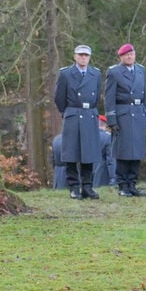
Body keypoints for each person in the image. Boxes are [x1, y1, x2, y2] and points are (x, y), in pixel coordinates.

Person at [54, 44, 101, 200]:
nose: (83, 58)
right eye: (80, 55)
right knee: (71, 154)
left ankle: (87, 186)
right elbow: (59, 98)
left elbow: (97, 96)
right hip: (73, 114)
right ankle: (74, 187)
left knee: (89, 153)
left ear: (89, 57)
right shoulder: (66, 74)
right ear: (75, 56)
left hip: (89, 114)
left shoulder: (95, 74)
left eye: (86, 55)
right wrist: (68, 112)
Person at [105, 44, 146, 197]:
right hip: (123, 114)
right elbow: (109, 98)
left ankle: (132, 184)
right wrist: (112, 119)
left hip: (138, 113)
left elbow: (144, 95)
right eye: (126, 55)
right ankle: (123, 184)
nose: (129, 57)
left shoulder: (141, 70)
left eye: (131, 54)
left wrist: (145, 112)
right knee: (123, 151)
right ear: (121, 57)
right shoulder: (114, 72)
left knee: (137, 151)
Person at [93, 115, 115, 188]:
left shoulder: (87, 136)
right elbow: (110, 159)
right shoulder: (108, 137)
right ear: (105, 124)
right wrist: (113, 177)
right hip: (102, 174)